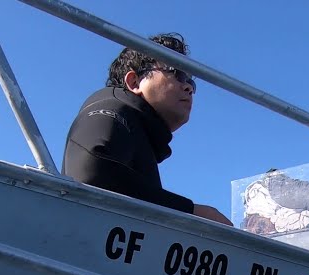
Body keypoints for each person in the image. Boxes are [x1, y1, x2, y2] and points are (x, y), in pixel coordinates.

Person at [63, 33, 233, 226]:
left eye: (190, 81)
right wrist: (192, 212)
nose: (188, 87)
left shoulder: (137, 131)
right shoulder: (114, 109)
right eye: (176, 73)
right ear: (134, 82)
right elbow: (91, 172)